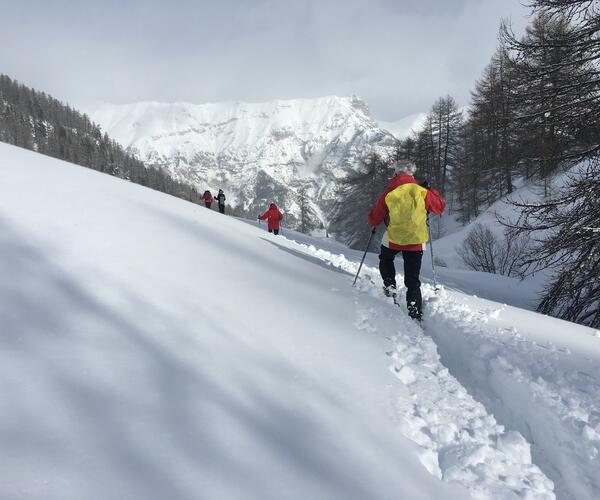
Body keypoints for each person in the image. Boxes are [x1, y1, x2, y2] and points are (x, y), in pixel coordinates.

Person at [367, 160, 445, 321]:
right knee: (412, 277)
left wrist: (377, 220)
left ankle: (390, 285)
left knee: (386, 258)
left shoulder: (389, 191)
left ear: (396, 174)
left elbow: (373, 219)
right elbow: (440, 207)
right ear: (412, 175)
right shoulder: (421, 191)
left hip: (394, 237)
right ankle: (414, 309)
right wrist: (431, 190)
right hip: (416, 240)